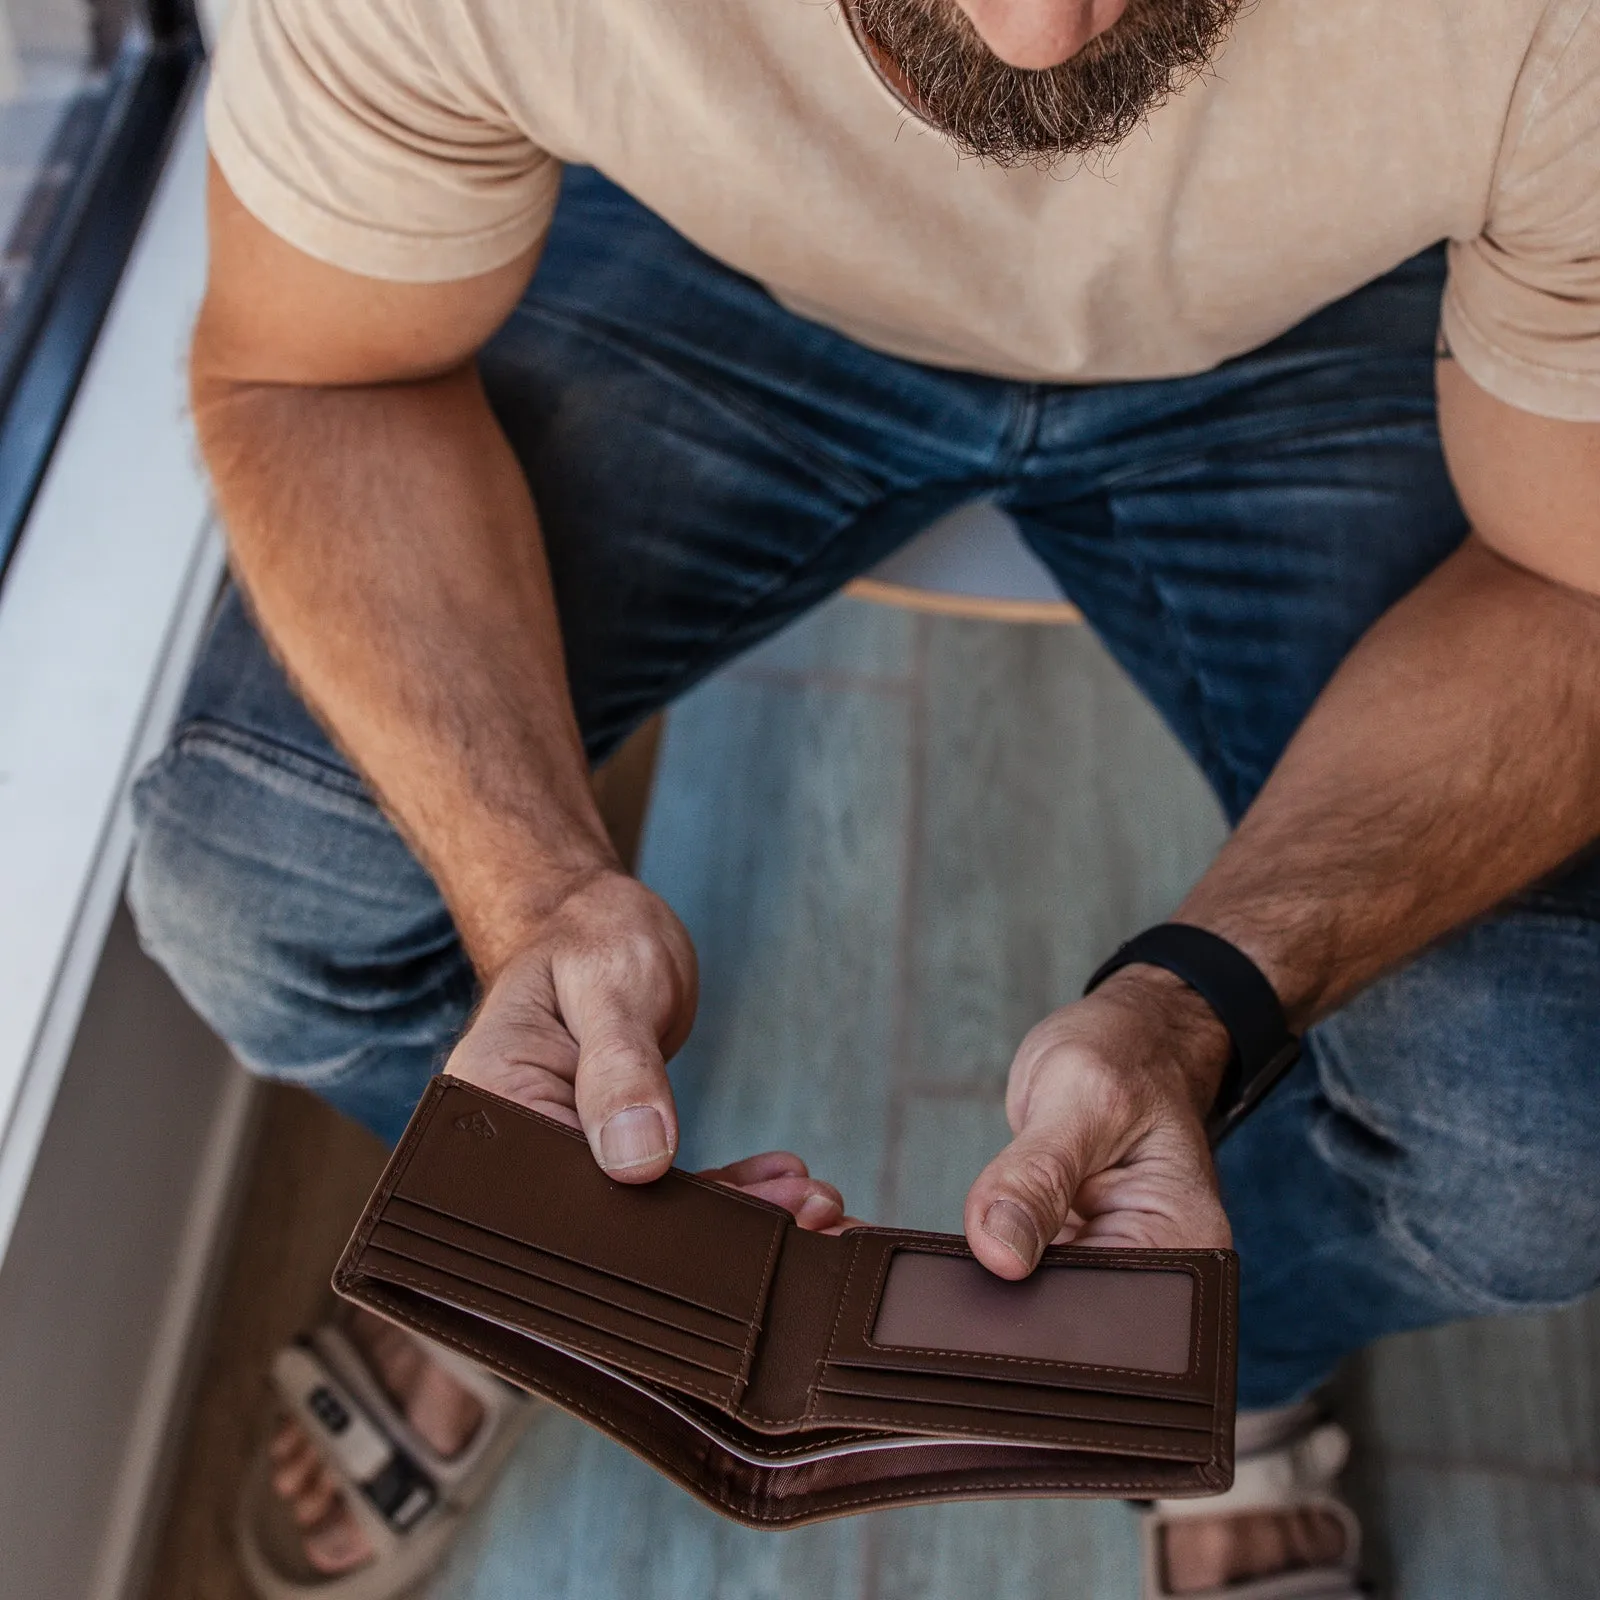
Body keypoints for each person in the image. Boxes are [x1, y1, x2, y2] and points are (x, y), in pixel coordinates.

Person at [127, 0, 1600, 1593]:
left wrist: (1202, 1009)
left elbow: (1576, 576)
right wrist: (529, 893)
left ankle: (1212, 1346)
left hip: (1322, 304)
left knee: (1541, 1133)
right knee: (256, 883)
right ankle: (556, 1234)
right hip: (726, 263)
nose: (1039, 38)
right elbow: (315, 375)